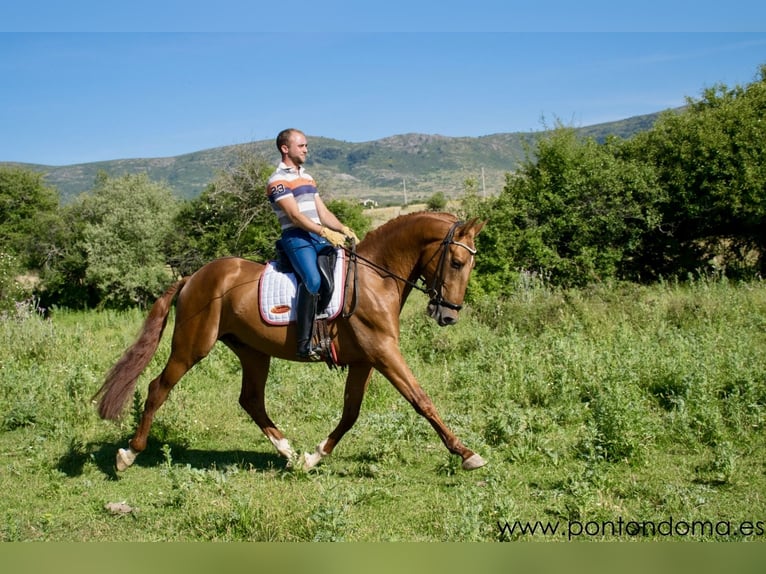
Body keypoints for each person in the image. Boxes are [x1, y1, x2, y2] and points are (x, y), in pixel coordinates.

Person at [266, 128, 358, 360]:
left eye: (306, 145)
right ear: (285, 149)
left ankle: (326, 332)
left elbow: (322, 211)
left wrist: (342, 229)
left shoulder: (307, 177)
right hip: (296, 238)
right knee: (313, 280)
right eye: (301, 146)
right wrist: (323, 231)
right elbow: (295, 216)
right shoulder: (277, 181)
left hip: (317, 236)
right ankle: (303, 344)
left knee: (335, 277)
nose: (306, 149)